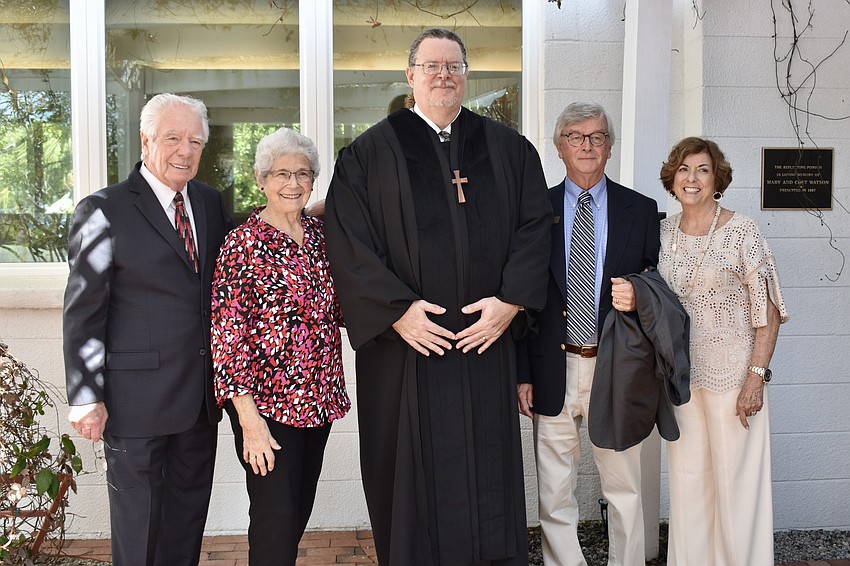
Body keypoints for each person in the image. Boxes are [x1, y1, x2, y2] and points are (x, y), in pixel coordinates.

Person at [324, 27, 552, 566]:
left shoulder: (508, 149)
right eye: (431, 66)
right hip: (408, 348)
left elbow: (536, 228)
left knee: (487, 465)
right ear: (410, 76)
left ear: (466, 76)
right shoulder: (367, 154)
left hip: (484, 340)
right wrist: (396, 311)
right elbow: (348, 241)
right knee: (408, 468)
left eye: (453, 66)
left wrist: (510, 303)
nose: (443, 75)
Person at [63, 93, 234, 564]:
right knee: (139, 530)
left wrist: (309, 208)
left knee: (185, 526)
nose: (185, 150)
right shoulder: (103, 210)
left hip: (200, 401)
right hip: (134, 405)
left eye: (195, 141)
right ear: (145, 140)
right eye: (173, 138)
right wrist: (84, 395)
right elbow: (83, 311)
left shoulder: (209, 201)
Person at [516, 102, 660, 566]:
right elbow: (521, 296)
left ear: (610, 148)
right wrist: (522, 373)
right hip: (552, 367)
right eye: (576, 137)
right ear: (559, 147)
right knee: (555, 489)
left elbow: (659, 284)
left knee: (625, 487)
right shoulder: (533, 211)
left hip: (615, 367)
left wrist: (639, 296)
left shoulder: (640, 210)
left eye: (597, 137)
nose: (587, 146)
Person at [210, 128, 350, 565]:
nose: (292, 183)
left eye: (303, 174)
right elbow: (227, 338)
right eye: (281, 174)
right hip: (268, 409)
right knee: (275, 517)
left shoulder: (322, 236)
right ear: (261, 180)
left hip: (319, 401)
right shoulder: (242, 244)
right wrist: (249, 422)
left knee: (297, 512)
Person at [658, 137, 789, 565]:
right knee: (688, 482)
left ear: (717, 179)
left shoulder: (742, 230)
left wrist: (756, 376)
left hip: (735, 379)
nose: (691, 178)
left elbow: (767, 308)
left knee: (737, 484)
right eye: (683, 169)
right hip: (681, 379)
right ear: (672, 178)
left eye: (702, 169)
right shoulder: (662, 233)